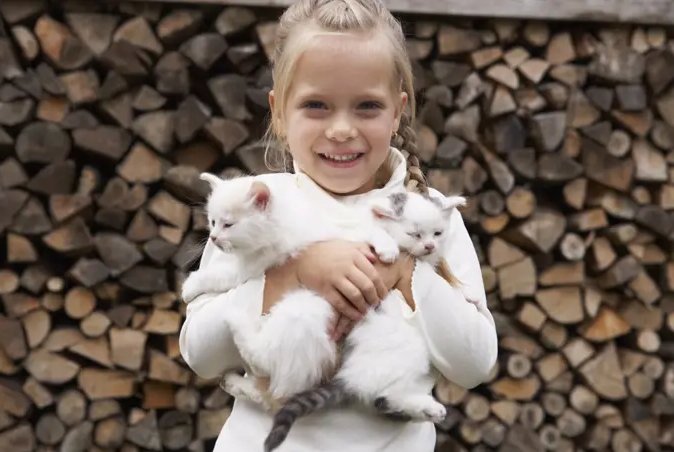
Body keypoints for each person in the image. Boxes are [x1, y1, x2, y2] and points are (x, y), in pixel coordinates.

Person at [178, 0, 498, 450]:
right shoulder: (254, 205)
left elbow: (476, 363)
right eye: (316, 106)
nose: (342, 129)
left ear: (398, 111)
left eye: (367, 106)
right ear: (280, 112)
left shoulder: (432, 218)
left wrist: (407, 271)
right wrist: (291, 274)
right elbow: (200, 355)